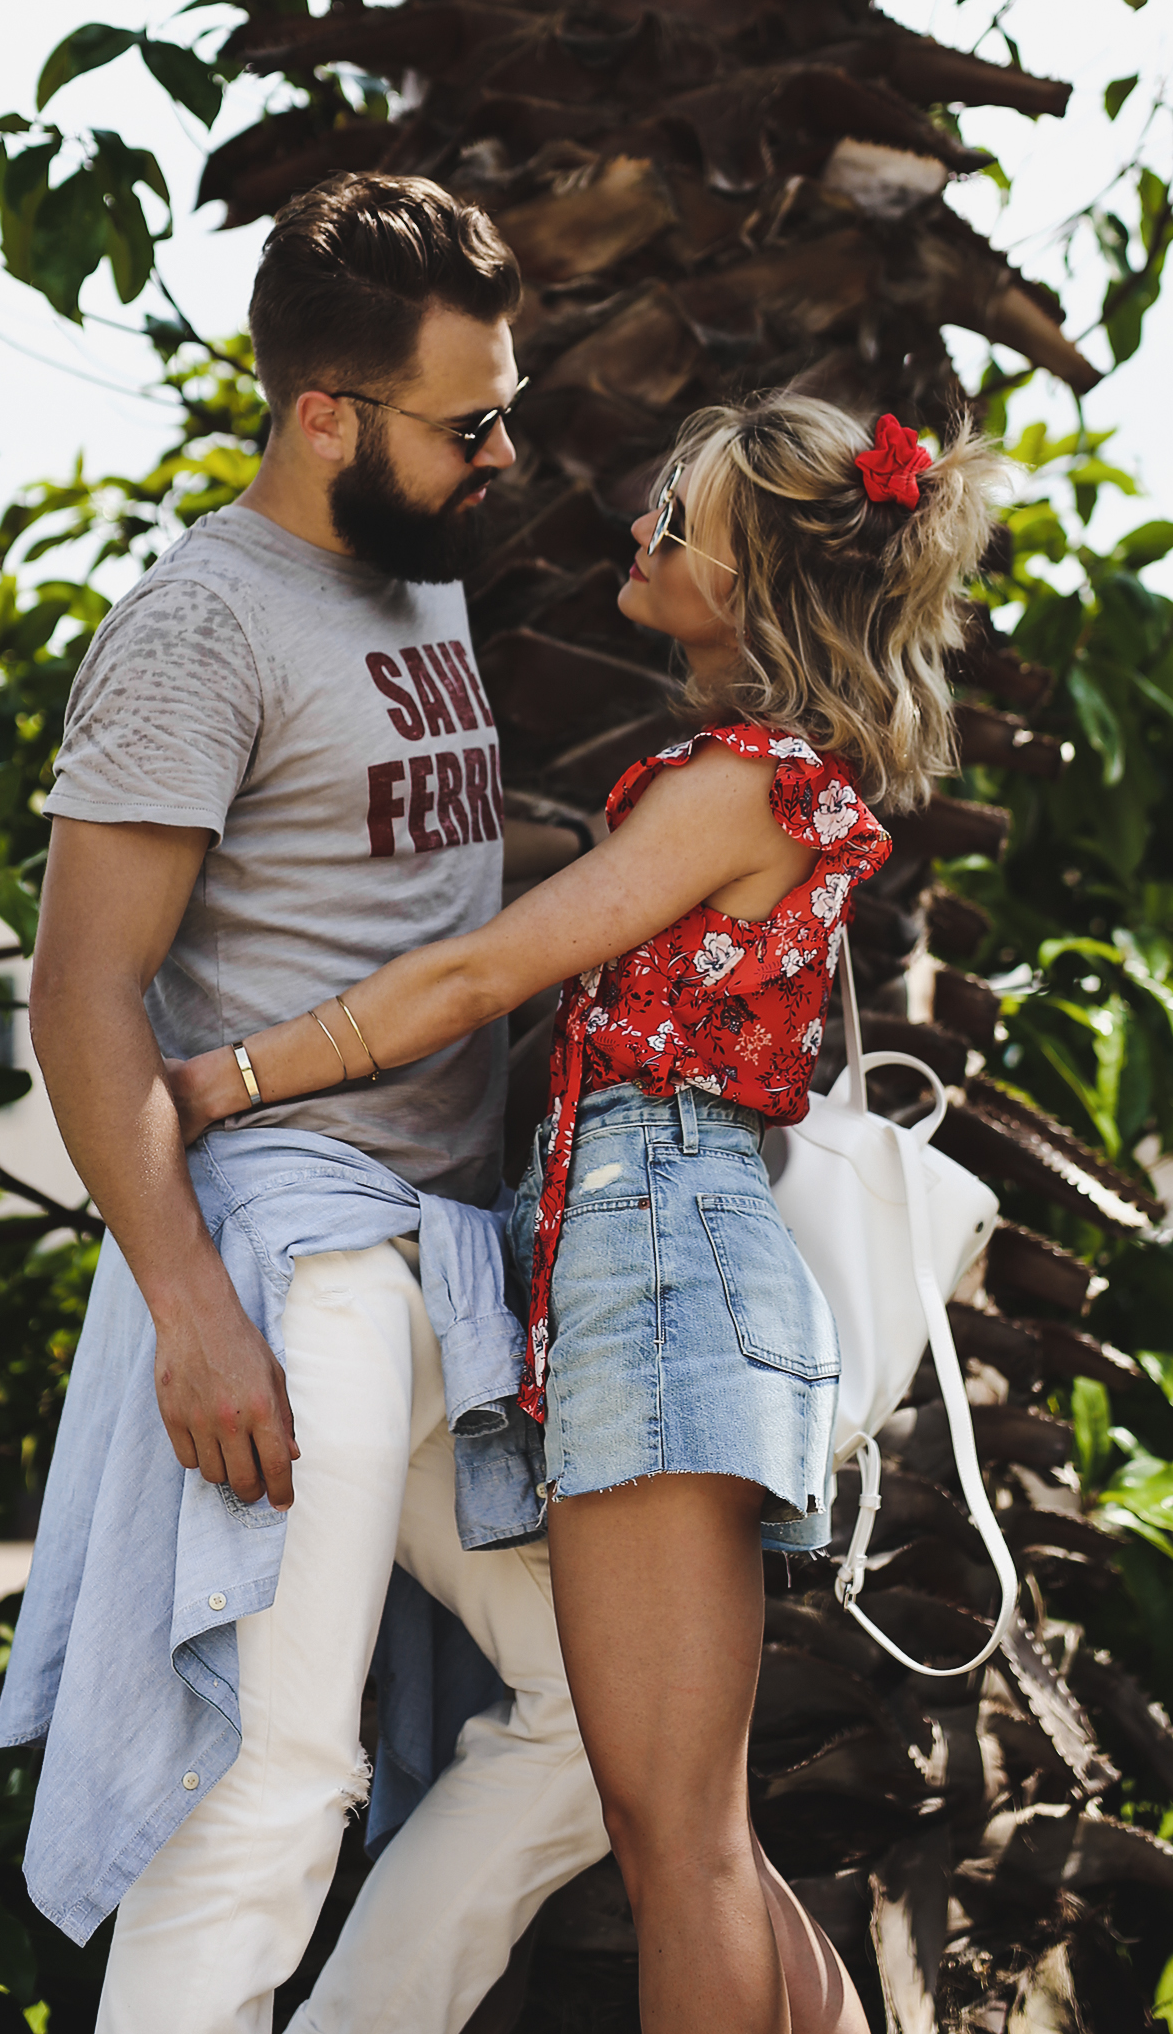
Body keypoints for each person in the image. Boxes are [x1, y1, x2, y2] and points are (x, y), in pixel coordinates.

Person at [169, 392, 1002, 2034]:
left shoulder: (741, 784)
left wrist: (224, 1081)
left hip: (662, 1254)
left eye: (678, 524)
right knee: (690, 1830)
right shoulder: (741, 781)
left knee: (672, 1842)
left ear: (754, 582)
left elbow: (485, 971)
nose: (640, 532)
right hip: (654, 1250)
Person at [0, 174, 610, 2034]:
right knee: (270, 1784)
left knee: (600, 1722)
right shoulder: (199, 628)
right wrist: (193, 1315)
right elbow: (81, 990)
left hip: (444, 1257)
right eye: (469, 420)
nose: (503, 452)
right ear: (325, 413)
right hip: (290, 1255)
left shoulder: (412, 565)